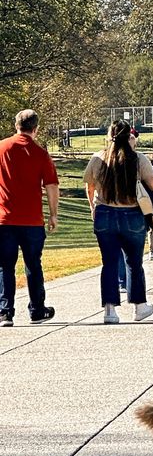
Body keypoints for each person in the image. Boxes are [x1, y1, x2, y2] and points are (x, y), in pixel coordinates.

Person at [83, 120, 153, 324]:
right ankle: (139, 306)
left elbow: (89, 184)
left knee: (109, 263)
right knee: (134, 262)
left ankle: (110, 310)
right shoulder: (138, 159)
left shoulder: (98, 158)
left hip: (105, 212)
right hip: (131, 212)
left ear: (110, 136)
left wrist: (93, 207)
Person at [0, 110, 60, 326]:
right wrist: (53, 214)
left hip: (5, 218)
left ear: (16, 125)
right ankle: (37, 309)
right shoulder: (40, 153)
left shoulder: (2, 148)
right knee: (33, 264)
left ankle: (5, 311)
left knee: (5, 265)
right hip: (32, 219)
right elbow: (51, 185)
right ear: (36, 128)